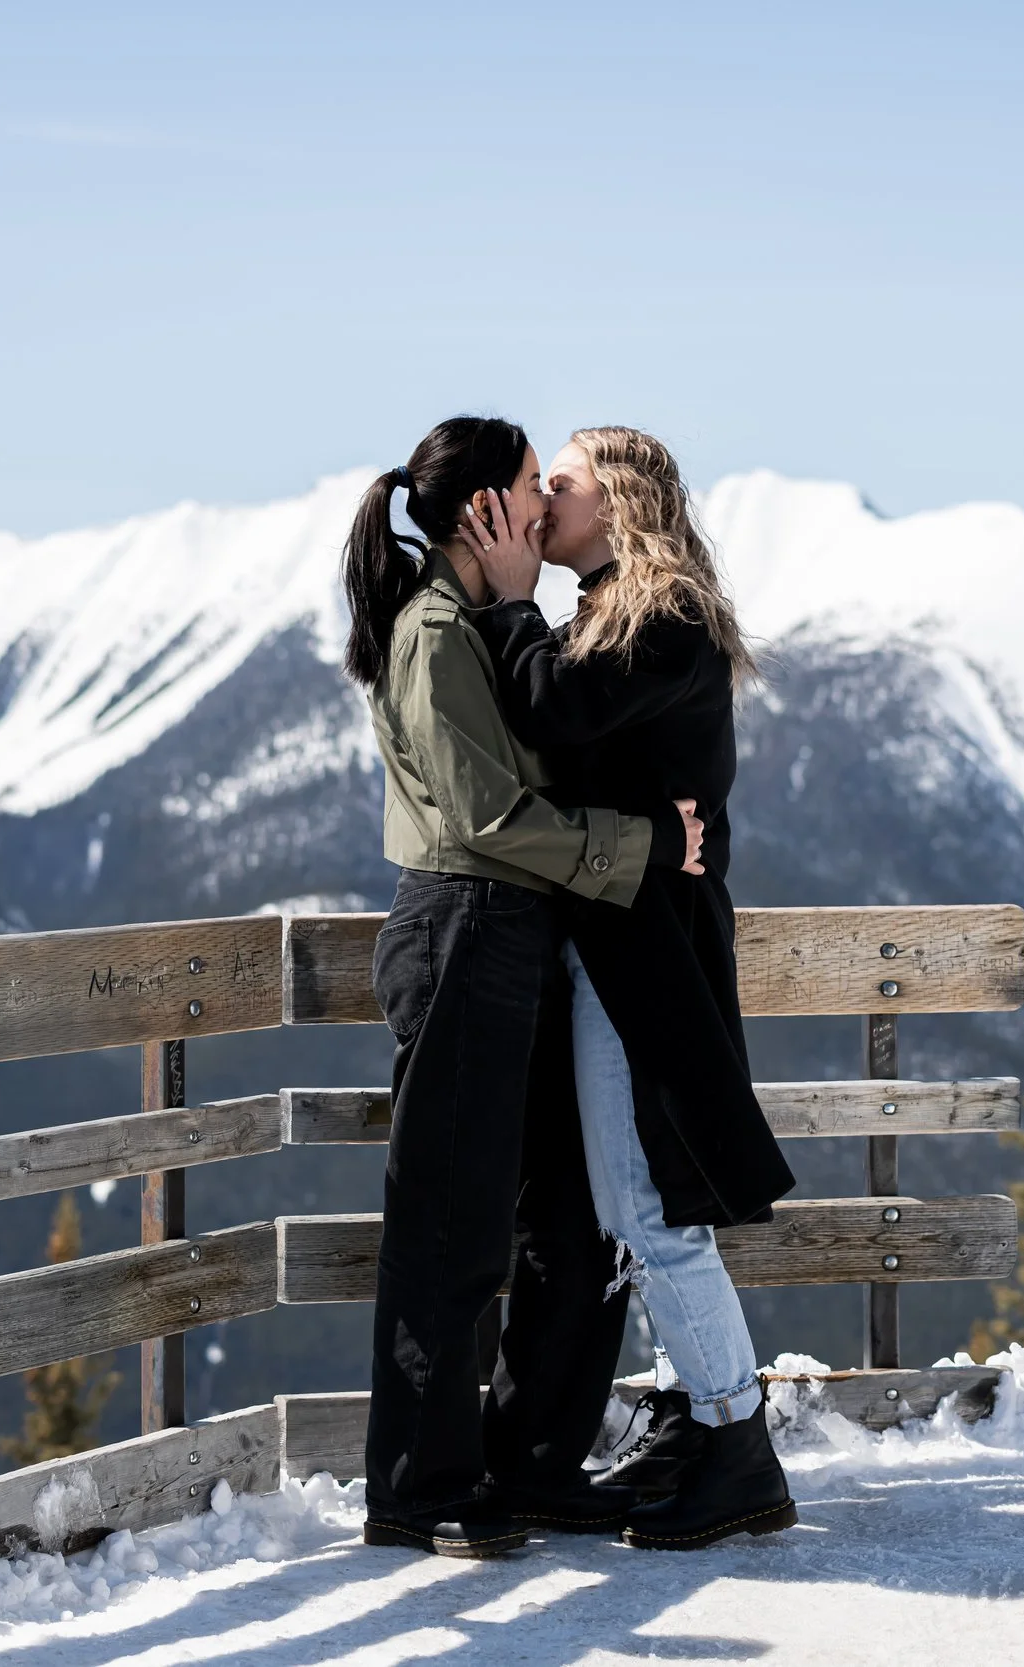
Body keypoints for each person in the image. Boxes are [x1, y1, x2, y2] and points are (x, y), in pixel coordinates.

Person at [341, 415, 707, 1558]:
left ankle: (538, 1460)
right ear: (484, 514)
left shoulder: (497, 624)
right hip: (465, 929)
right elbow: (486, 816)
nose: (544, 508)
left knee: (568, 1216)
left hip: (523, 936)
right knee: (453, 1225)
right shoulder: (435, 632)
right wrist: (643, 843)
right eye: (525, 489)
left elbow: (553, 737)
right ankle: (419, 1484)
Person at [459, 424, 799, 1550]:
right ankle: (704, 1422)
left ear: (618, 500)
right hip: (620, 941)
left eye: (559, 481)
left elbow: (552, 711)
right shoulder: (616, 606)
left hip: (643, 951)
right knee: (632, 1199)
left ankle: (736, 1440)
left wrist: (505, 596)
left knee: (650, 1209)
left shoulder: (663, 613)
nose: (540, 497)